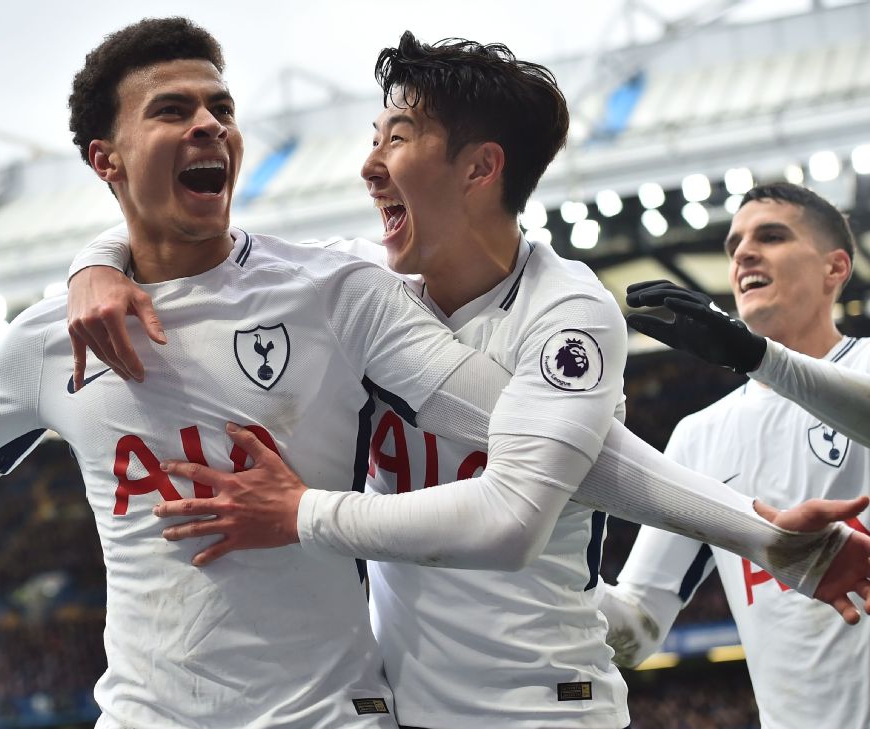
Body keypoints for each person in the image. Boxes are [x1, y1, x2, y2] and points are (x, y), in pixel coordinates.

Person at [0, 19, 870, 729]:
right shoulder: (53, 335)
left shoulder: (337, 292)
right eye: (172, 110)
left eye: (221, 107)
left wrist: (770, 539)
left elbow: (546, 444)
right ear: (103, 157)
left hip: (338, 716)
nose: (209, 125)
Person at [62, 36, 870, 728]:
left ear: (480, 168)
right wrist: (94, 264)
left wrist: (301, 512)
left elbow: (514, 515)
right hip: (407, 703)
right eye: (374, 137)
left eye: (398, 139)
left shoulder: (568, 312)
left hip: (543, 703)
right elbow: (200, 241)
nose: (370, 167)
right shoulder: (356, 286)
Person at [601, 182, 870, 729]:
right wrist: (549, 575)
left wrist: (759, 357)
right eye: (733, 246)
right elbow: (637, 629)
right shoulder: (700, 436)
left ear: (835, 269)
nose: (743, 253)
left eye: (771, 236)